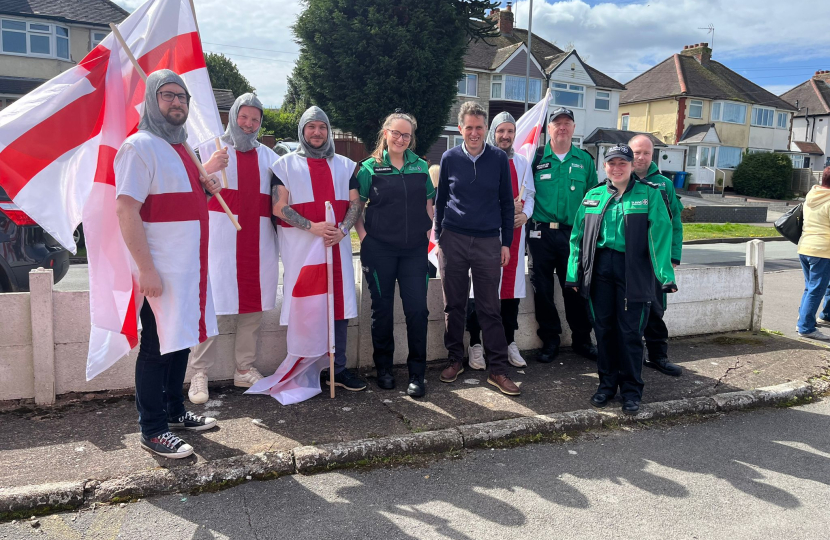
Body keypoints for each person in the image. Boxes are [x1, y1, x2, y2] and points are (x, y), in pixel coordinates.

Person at [114, 70, 222, 458]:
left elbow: (182, 210)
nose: (178, 103)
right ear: (151, 100)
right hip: (160, 270)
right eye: (168, 95)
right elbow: (126, 209)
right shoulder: (138, 146)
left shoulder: (183, 148)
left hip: (189, 269)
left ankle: (175, 413)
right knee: (157, 348)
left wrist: (208, 191)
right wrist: (146, 269)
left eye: (183, 97)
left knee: (179, 344)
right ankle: (153, 428)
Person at [566, 144, 677, 414]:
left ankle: (631, 390)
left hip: (634, 271)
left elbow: (661, 236)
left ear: (631, 166)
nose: (617, 168)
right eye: (611, 163)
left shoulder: (649, 195)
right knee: (603, 331)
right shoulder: (593, 195)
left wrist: (665, 275)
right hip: (601, 269)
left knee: (629, 333)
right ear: (604, 167)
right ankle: (606, 385)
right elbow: (577, 238)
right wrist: (573, 274)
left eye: (622, 163)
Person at [186, 93, 280, 404]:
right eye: (244, 117)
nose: (249, 124)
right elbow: (188, 194)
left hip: (259, 242)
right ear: (233, 116)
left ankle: (244, 368)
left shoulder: (269, 158)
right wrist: (208, 171)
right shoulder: (211, 150)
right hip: (220, 244)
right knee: (210, 305)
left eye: (255, 119)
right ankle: (199, 372)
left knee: (252, 309)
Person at [270, 106, 367, 390]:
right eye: (311, 127)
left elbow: (354, 204)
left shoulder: (345, 165)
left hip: (336, 249)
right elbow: (278, 206)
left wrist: (343, 230)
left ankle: (338, 369)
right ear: (302, 131)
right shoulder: (284, 165)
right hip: (302, 252)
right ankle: (306, 365)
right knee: (308, 307)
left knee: (338, 305)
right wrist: (312, 227)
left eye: (322, 127)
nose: (317, 132)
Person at [434, 101, 521, 396]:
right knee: (454, 305)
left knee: (489, 308)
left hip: (487, 241)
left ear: (487, 129)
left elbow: (507, 205)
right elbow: (441, 198)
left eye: (479, 127)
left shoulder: (498, 158)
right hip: (453, 240)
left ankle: (497, 369)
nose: (474, 133)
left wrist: (506, 242)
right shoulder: (448, 157)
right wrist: (437, 237)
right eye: (468, 127)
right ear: (460, 129)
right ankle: (455, 360)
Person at [354, 111, 434, 397]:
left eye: (407, 135)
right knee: (382, 311)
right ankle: (384, 370)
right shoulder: (368, 168)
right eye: (396, 133)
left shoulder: (421, 166)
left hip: (413, 251)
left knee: (417, 311)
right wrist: (365, 239)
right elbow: (357, 208)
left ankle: (417, 374)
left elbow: (428, 204)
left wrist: (427, 234)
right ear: (385, 133)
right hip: (380, 252)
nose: (401, 139)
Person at [466, 112, 536, 369]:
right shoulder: (481, 161)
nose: (505, 136)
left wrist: (525, 214)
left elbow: (529, 195)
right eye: (500, 131)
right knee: (478, 292)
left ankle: (509, 341)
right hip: (484, 236)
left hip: (513, 237)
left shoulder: (521, 162)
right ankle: (475, 343)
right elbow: (474, 199)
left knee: (510, 292)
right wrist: (505, 210)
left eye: (510, 131)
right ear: (492, 133)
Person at [528, 107, 598, 363]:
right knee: (543, 290)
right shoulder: (535, 159)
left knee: (575, 289)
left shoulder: (585, 160)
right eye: (558, 123)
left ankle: (582, 340)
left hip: (573, 235)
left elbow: (594, 200)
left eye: (567, 122)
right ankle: (550, 340)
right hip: (540, 235)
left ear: (573, 128)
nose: (562, 127)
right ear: (549, 128)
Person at [629, 134, 684, 377]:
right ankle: (631, 357)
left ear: (653, 155)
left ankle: (658, 356)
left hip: (655, 260)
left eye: (646, 153)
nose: (641, 157)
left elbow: (675, 223)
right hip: (628, 259)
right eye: (636, 152)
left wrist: (673, 255)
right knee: (629, 310)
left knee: (655, 309)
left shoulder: (665, 184)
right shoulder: (619, 180)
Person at [796, 166, 830, 340]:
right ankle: (806, 328)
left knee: (810, 288)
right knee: (816, 290)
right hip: (823, 251)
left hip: (805, 247)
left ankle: (804, 320)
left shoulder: (811, 196)